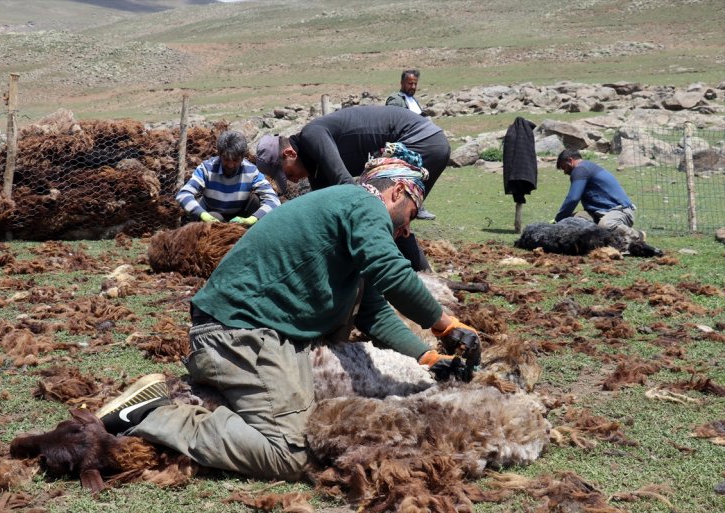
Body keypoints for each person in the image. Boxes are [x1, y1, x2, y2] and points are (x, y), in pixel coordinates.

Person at [96, 161, 480, 481]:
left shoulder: (349, 222)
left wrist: (428, 358)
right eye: (412, 214)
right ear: (397, 191)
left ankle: (210, 404)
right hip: (240, 333)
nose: (408, 230)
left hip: (256, 332)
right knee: (291, 454)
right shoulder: (363, 205)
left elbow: (375, 312)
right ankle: (156, 415)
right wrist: (444, 323)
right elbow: (393, 273)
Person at [255, 105, 450, 268]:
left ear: (289, 153)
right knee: (391, 220)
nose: (294, 181)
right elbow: (325, 214)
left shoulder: (312, 134)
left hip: (420, 141)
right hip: (425, 144)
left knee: (383, 214)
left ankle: (413, 282)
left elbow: (347, 186)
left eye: (288, 174)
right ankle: (423, 278)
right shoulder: (317, 171)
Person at [554, 149, 660, 254]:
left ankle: (637, 235)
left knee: (606, 225)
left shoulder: (580, 169)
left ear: (570, 160)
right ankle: (596, 242)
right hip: (598, 212)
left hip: (619, 211)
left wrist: (558, 219)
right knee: (572, 221)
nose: (565, 172)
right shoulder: (586, 167)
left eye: (564, 167)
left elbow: (573, 199)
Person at [176, 130, 280, 227]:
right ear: (219, 155)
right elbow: (183, 194)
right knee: (214, 217)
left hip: (240, 217)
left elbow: (273, 200)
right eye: (226, 159)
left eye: (235, 160)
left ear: (243, 157)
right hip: (213, 217)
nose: (230, 165)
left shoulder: (251, 171)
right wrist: (203, 214)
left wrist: (252, 219)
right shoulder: (207, 168)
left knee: (255, 201)